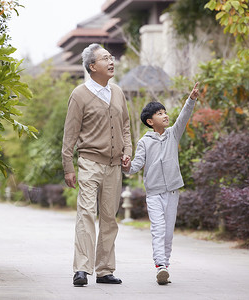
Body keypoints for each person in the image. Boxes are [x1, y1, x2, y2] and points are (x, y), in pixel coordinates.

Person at [62, 43, 132, 287]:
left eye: (111, 57)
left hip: (114, 166)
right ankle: (81, 268)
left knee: (109, 218)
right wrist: (68, 167)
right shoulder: (79, 94)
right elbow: (70, 134)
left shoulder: (118, 92)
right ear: (92, 66)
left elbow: (126, 125)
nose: (111, 61)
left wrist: (128, 152)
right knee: (86, 214)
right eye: (105, 58)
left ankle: (104, 270)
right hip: (90, 162)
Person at [122, 82, 199, 285]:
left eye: (165, 112)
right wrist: (125, 166)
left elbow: (184, 117)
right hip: (154, 194)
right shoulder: (144, 142)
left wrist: (191, 99)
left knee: (168, 232)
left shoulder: (174, 134)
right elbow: (135, 165)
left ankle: (165, 264)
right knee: (158, 229)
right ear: (150, 121)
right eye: (160, 113)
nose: (165, 115)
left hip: (173, 192)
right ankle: (160, 266)